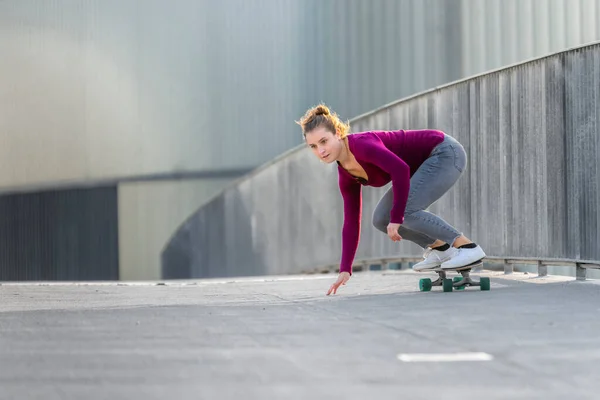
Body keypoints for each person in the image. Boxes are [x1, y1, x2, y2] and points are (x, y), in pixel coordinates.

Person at [296, 104, 486, 295]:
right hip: (423, 165)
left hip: (444, 152)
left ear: (337, 133)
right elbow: (351, 221)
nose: (321, 151)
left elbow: (400, 170)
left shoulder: (361, 145)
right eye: (313, 146)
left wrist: (396, 219)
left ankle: (467, 246)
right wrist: (345, 268)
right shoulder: (345, 175)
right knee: (380, 219)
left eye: (324, 141)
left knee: (404, 212)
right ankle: (442, 249)